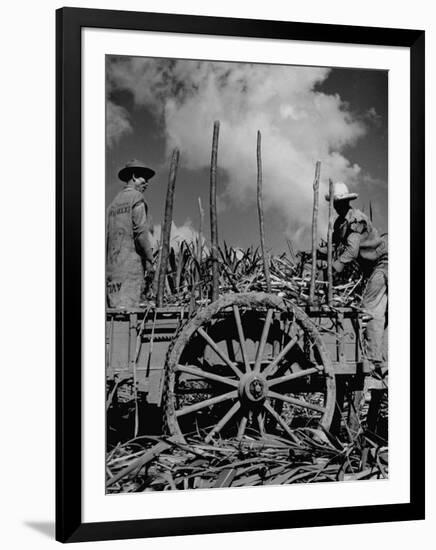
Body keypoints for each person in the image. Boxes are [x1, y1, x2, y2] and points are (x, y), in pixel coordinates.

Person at [325, 182, 388, 372]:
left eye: (341, 202)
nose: (338, 205)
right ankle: (383, 360)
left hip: (383, 264)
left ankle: (374, 361)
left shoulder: (356, 220)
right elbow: (334, 247)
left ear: (347, 201)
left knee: (371, 309)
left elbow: (351, 252)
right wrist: (319, 255)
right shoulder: (340, 223)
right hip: (374, 268)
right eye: (336, 202)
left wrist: (332, 269)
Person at [106, 160, 155, 308]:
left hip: (112, 272)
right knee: (130, 314)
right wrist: (149, 260)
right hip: (130, 270)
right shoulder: (137, 198)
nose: (146, 183)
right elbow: (140, 233)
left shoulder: (113, 204)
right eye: (143, 178)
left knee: (116, 312)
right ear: (134, 176)